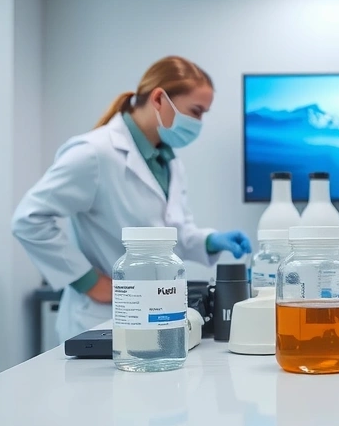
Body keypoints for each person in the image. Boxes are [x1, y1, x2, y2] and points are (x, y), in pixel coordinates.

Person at [13, 56, 251, 341]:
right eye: (196, 111)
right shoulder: (95, 153)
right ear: (160, 99)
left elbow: (171, 234)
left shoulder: (167, 161)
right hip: (101, 318)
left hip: (155, 315)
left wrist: (211, 240)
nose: (199, 123)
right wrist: (89, 281)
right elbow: (28, 219)